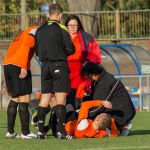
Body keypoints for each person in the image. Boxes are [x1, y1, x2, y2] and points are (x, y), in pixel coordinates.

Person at [35, 3, 75, 139]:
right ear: (60, 14)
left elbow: (36, 50)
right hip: (59, 64)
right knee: (60, 98)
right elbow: (71, 49)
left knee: (45, 97)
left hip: (44, 66)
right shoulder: (61, 28)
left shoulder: (39, 29)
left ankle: (40, 131)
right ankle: (61, 131)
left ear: (49, 14)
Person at [3, 26, 38, 139]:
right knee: (25, 98)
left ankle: (10, 132)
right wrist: (24, 66)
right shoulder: (36, 31)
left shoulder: (23, 32)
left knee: (15, 98)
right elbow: (26, 46)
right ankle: (26, 132)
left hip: (8, 64)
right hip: (19, 64)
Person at [80, 62, 136, 132]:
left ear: (94, 73)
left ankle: (121, 127)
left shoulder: (105, 82)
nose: (86, 77)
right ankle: (119, 127)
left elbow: (100, 106)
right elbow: (94, 100)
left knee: (96, 120)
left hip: (122, 113)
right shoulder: (100, 79)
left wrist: (83, 113)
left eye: (87, 74)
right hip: (120, 111)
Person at [65, 14, 101, 109]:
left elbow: (95, 55)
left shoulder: (86, 38)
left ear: (79, 26)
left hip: (79, 71)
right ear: (66, 26)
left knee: (75, 97)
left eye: (75, 25)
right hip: (64, 70)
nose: (72, 27)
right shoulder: (62, 37)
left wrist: (89, 64)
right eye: (70, 25)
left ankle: (74, 119)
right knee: (62, 98)